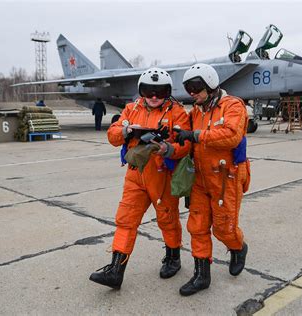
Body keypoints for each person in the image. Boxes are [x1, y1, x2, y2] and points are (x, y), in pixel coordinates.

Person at [89, 67, 191, 289]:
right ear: (141, 91)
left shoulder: (177, 112)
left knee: (167, 218)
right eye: (148, 91)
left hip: (162, 175)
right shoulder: (130, 109)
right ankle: (115, 271)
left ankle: (173, 258)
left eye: (160, 92)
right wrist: (126, 132)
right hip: (136, 175)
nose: (154, 97)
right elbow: (113, 136)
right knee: (125, 220)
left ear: (167, 92)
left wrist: (168, 148)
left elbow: (186, 144)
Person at [174, 63, 251, 296]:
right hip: (200, 179)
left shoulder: (233, 106)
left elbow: (231, 135)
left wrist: (197, 135)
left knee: (223, 229)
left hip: (225, 177)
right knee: (196, 227)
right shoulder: (196, 111)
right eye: (189, 88)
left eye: (196, 87)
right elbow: (183, 134)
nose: (193, 93)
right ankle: (201, 275)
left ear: (210, 83)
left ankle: (238, 247)